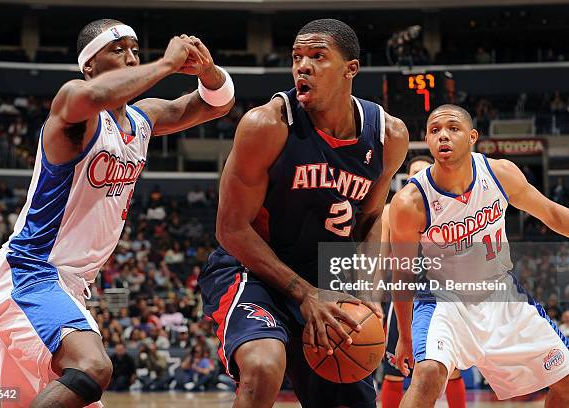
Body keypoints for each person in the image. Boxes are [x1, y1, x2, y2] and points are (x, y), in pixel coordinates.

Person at [0, 18, 233, 407]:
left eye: (135, 49)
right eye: (118, 50)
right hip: (30, 273)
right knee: (92, 368)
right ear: (89, 66)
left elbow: (215, 104)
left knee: (36, 396)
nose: (131, 57)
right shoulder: (73, 106)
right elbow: (91, 97)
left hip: (71, 286)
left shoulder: (142, 121)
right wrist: (165, 65)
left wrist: (208, 71)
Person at [200, 19, 408, 408]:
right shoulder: (267, 125)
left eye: (317, 56)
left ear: (351, 69)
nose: (302, 66)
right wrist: (305, 293)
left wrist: (367, 291)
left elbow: (372, 217)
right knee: (263, 367)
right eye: (297, 57)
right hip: (255, 273)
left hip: (327, 281)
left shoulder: (388, 135)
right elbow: (230, 228)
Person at [390, 104, 569, 407]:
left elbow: (551, 213)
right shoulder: (410, 201)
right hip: (443, 301)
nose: (443, 136)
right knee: (428, 374)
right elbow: (403, 274)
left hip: (501, 295)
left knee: (566, 381)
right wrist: (405, 337)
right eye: (435, 130)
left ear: (472, 136)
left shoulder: (499, 174)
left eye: (453, 128)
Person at [379, 155, 466, 408]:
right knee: (395, 369)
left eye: (423, 172)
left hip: (442, 294)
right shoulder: (391, 210)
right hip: (405, 296)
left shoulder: (452, 208)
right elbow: (381, 259)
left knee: (452, 369)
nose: (417, 177)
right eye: (412, 173)